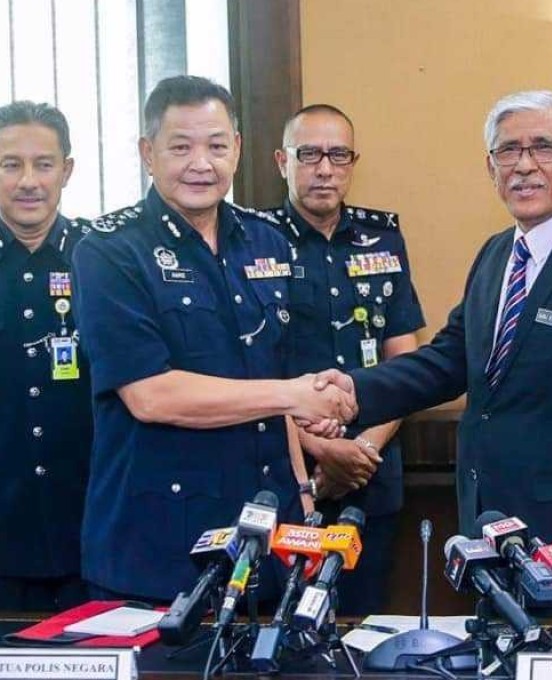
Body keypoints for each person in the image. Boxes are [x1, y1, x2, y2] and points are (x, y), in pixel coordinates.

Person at [343, 90, 552, 612]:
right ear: (490, 168)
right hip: (490, 534)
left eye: (544, 147)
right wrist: (349, 391)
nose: (524, 165)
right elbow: (450, 360)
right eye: (508, 151)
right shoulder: (498, 253)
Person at [72, 75, 354, 602]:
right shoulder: (109, 251)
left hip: (271, 531)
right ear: (147, 153)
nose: (201, 163)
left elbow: (281, 380)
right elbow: (151, 395)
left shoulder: (268, 241)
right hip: (162, 542)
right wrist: (292, 394)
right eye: (180, 147)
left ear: (239, 150)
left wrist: (304, 496)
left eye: (217, 146)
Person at [271, 104, 424, 614]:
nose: (324, 168)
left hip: (371, 473)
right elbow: (249, 372)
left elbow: (406, 363)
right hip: (288, 474)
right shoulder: (253, 242)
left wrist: (359, 453)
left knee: (361, 626)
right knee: (285, 628)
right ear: (281, 161)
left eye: (338, 154)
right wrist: (321, 450)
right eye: (308, 154)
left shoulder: (383, 238)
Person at [0, 101, 91, 610]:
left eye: (44, 164)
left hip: (88, 527)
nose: (28, 181)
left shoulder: (102, 256)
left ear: (67, 170)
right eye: (11, 164)